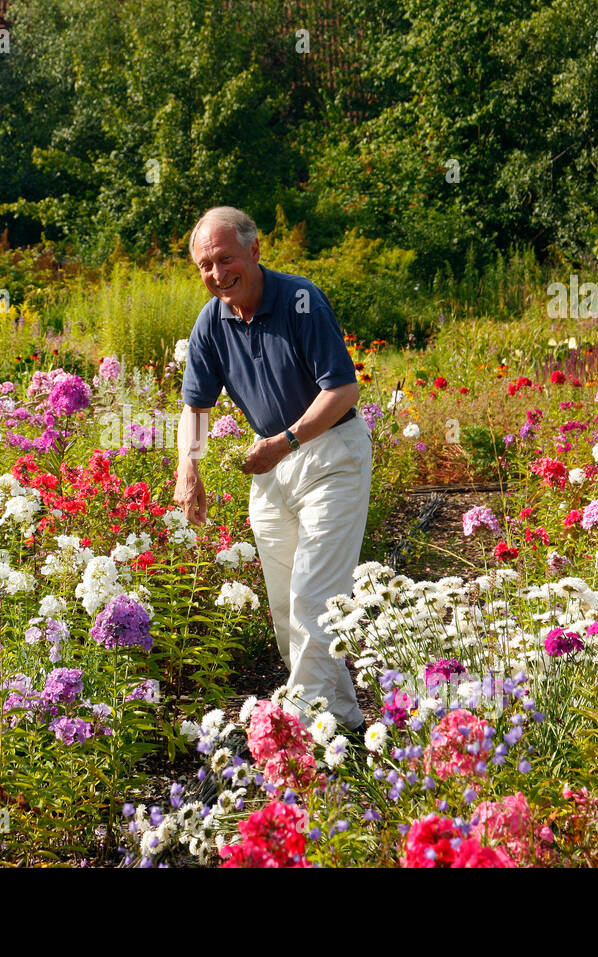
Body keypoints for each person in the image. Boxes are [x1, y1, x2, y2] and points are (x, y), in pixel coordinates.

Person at [174, 207, 372, 734]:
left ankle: (302, 730)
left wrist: (284, 441)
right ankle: (341, 722)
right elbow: (195, 407)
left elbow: (343, 390)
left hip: (330, 454)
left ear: (255, 251)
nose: (216, 274)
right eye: (205, 266)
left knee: (313, 596)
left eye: (225, 259)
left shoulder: (299, 301)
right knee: (287, 605)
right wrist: (188, 472)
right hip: (271, 466)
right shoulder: (210, 322)